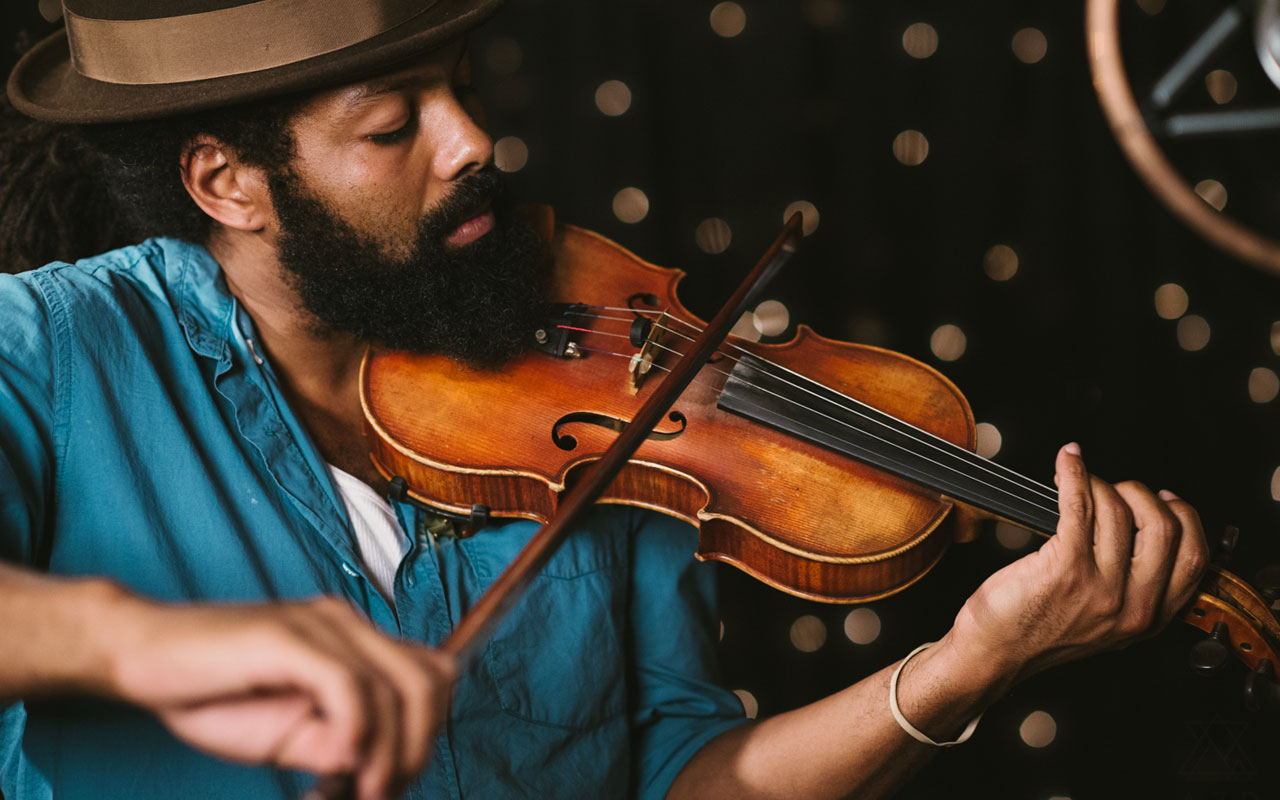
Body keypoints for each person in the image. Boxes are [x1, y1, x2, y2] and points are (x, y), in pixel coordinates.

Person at [0, 2, 1208, 799]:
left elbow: (682, 773)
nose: (473, 139)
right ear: (227, 183)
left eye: (460, 88)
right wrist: (154, 641)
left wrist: (960, 665)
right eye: (390, 125)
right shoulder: (50, 349)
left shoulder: (588, 374)